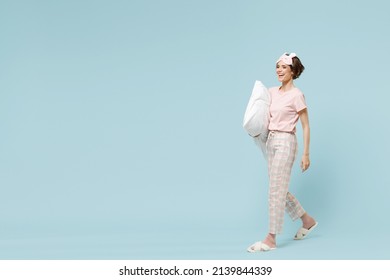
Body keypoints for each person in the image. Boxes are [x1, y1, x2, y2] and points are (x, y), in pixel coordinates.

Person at [247, 53, 318, 252]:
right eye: (277, 67)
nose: (279, 70)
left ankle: (271, 238)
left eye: (283, 67)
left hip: (287, 141)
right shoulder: (271, 92)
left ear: (293, 71)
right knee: (279, 188)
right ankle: (308, 220)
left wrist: (306, 154)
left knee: (275, 190)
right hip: (270, 141)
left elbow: (306, 126)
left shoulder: (297, 95)